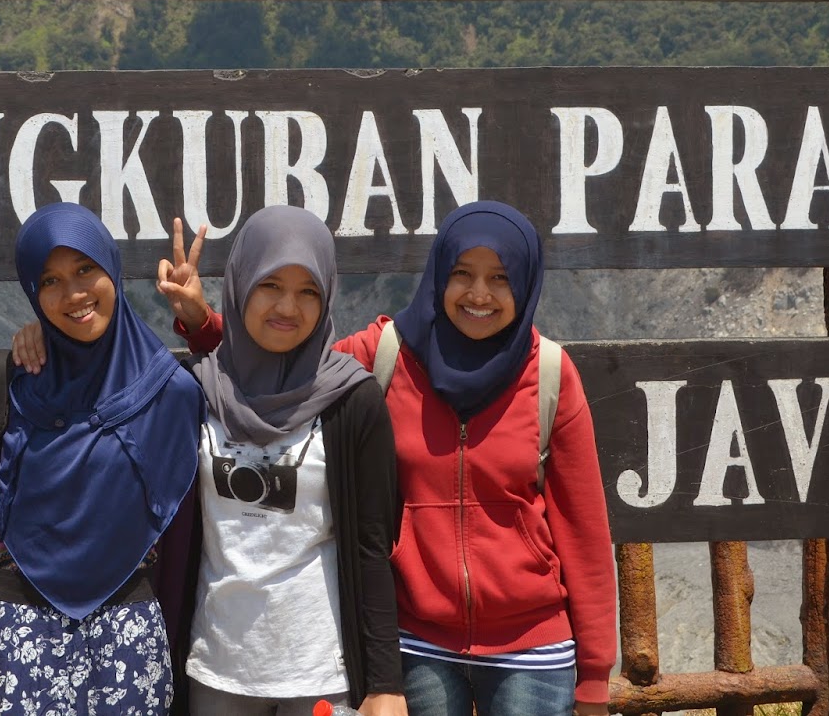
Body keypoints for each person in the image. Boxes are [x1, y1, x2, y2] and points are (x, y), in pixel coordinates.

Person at [153, 202, 617, 716]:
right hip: (418, 642)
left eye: (501, 279)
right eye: (462, 274)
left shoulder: (549, 374)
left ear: (526, 284)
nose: (479, 294)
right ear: (439, 273)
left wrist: (595, 673)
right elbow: (285, 357)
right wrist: (202, 323)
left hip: (531, 647)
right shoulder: (388, 354)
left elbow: (584, 530)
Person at [0, 202, 204, 716]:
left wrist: (201, 323)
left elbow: (257, 399)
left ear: (111, 269)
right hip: (18, 632)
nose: (73, 293)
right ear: (32, 293)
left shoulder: (171, 393)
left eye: (84, 270)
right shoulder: (8, 385)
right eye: (49, 281)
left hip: (129, 631)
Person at [180, 206, 405, 716]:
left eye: (309, 291)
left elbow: (372, 547)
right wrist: (32, 340)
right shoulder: (198, 390)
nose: (289, 306)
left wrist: (384, 683)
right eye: (270, 285)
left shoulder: (352, 399)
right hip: (216, 667)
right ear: (240, 286)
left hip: (320, 672)